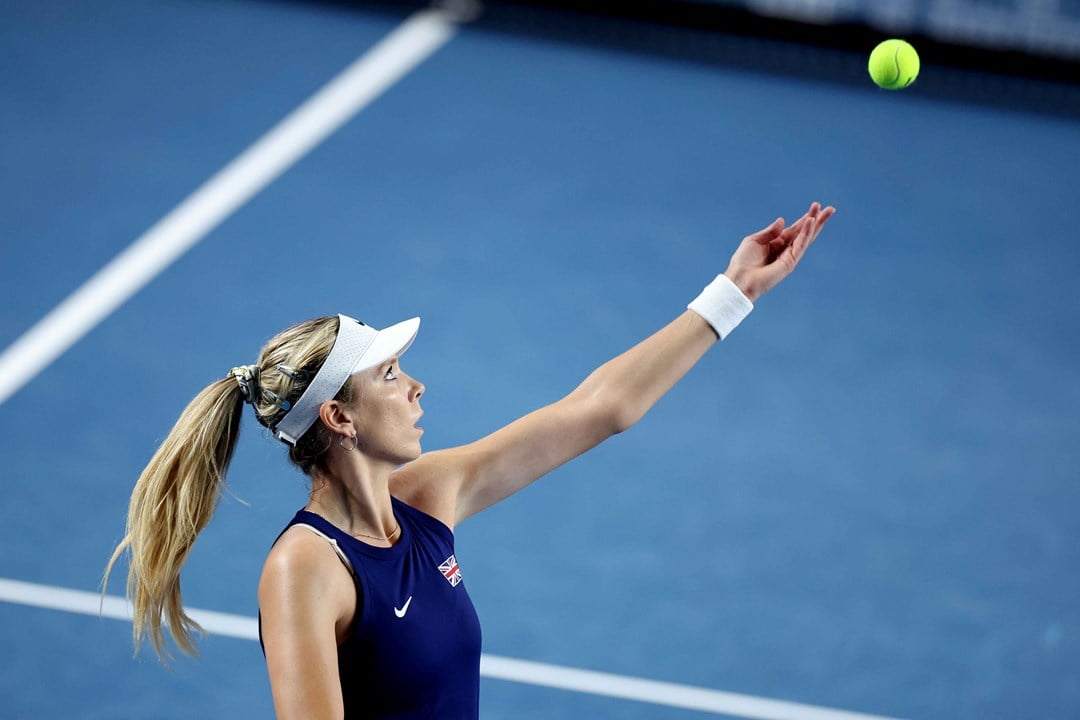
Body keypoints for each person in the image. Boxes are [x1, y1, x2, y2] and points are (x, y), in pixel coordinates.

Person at [104, 201, 835, 719]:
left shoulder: (424, 497)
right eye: (390, 376)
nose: (416, 387)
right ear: (339, 417)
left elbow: (598, 409)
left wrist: (732, 294)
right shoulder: (306, 570)